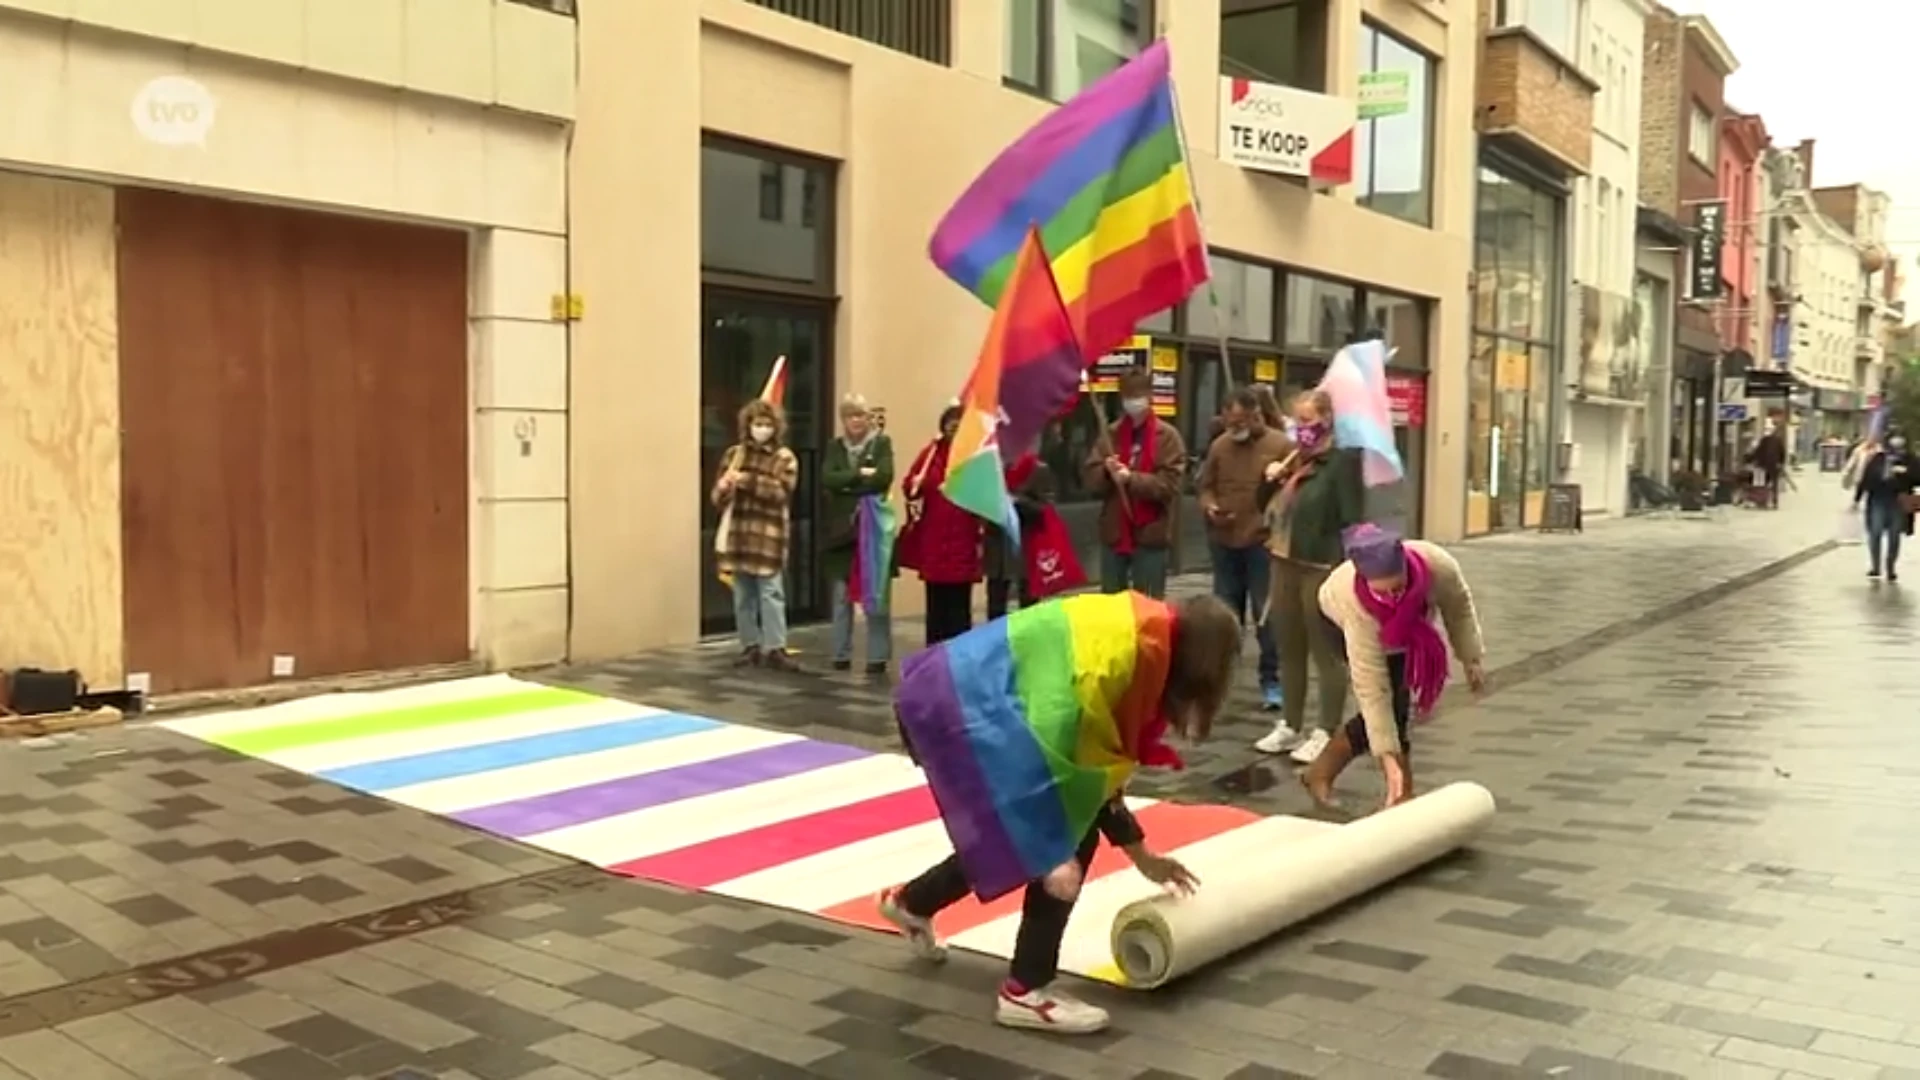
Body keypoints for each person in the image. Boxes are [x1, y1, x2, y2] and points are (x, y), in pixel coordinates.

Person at [880, 593, 1242, 1034]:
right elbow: (1036, 757)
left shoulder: (1144, 638)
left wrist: (1142, 855)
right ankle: (1025, 991)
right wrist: (1049, 849)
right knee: (1064, 836)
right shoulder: (1119, 663)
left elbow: (1093, 775)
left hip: (949, 690)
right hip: (955, 707)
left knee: (1043, 830)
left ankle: (912, 903)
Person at [1307, 524, 1487, 809]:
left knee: (1395, 706)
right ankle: (1400, 790)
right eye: (1384, 592)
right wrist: (1387, 759)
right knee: (1389, 705)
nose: (1393, 597)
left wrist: (1470, 656)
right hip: (1338, 625)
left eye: (1399, 588)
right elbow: (1372, 689)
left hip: (1407, 630)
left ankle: (1323, 772)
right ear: (1365, 581)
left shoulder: (1437, 566)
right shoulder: (1353, 605)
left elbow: (1458, 606)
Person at [1253, 388, 1365, 761]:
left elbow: (1352, 519)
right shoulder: (1293, 462)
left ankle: (1326, 730)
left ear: (1327, 420)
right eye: (1296, 421)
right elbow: (1264, 508)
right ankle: (1290, 724)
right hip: (1284, 561)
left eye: (1307, 421)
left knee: (1325, 650)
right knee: (1289, 646)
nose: (1301, 429)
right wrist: (1271, 478)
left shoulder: (1341, 463)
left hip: (1321, 565)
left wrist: (1349, 570)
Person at [1197, 387, 1291, 709]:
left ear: (1255, 415)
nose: (1234, 427)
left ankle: (1271, 681)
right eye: (1229, 420)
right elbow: (1205, 486)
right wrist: (1210, 507)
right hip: (1225, 541)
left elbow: (1295, 493)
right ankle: (1222, 680)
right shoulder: (1220, 447)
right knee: (1225, 615)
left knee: (1267, 616)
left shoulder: (1280, 445)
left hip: (1262, 544)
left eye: (1240, 421)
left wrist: (1280, 480)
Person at [712, 398, 800, 671]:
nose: (761, 429)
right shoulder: (734, 456)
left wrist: (746, 480)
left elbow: (779, 492)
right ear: (747, 425)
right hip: (740, 536)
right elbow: (717, 499)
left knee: (771, 594)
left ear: (776, 427)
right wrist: (724, 487)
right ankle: (749, 645)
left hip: (769, 538)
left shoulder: (784, 457)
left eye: (767, 424)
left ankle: (775, 647)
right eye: (756, 424)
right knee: (743, 595)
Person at [1083, 369, 1186, 598]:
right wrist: (1106, 472)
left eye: (1138, 395)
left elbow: (1169, 485)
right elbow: (1090, 478)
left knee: (1148, 605)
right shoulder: (1110, 433)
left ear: (1150, 396)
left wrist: (1132, 479)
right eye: (1128, 396)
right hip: (1115, 533)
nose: (1133, 402)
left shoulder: (1168, 437)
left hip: (1150, 533)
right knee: (1111, 606)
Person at [822, 394, 896, 674]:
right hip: (843, 532)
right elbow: (828, 477)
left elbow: (883, 477)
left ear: (868, 418)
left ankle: (877, 657)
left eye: (861, 415)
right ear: (843, 420)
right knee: (841, 596)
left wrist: (847, 482)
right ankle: (840, 654)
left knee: (876, 592)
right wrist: (858, 475)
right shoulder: (834, 447)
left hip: (874, 531)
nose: (856, 421)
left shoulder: (881, 444)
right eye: (850, 416)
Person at [901, 404, 984, 645]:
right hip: (934, 543)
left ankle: (959, 661)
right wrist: (918, 484)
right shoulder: (930, 454)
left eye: (959, 424)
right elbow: (910, 488)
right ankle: (934, 659)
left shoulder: (975, 457)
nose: (954, 428)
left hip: (963, 543)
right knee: (936, 609)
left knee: (959, 610)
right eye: (950, 423)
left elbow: (984, 496)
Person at [983, 453, 1054, 620]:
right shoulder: (989, 470)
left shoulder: (1037, 469)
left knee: (1029, 606)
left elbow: (1045, 509)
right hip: (997, 547)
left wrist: (1017, 502)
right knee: (995, 606)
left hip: (1026, 544)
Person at [1854, 430, 1917, 581]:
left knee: (1894, 535)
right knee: (1875, 532)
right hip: (1878, 499)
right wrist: (1857, 499)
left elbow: (1917, 477)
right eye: (1894, 438)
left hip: (1899, 500)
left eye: (1900, 438)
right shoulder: (1878, 458)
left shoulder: (1910, 459)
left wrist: (1905, 473)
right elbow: (1866, 477)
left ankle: (1890, 566)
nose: (1897, 441)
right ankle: (1875, 566)